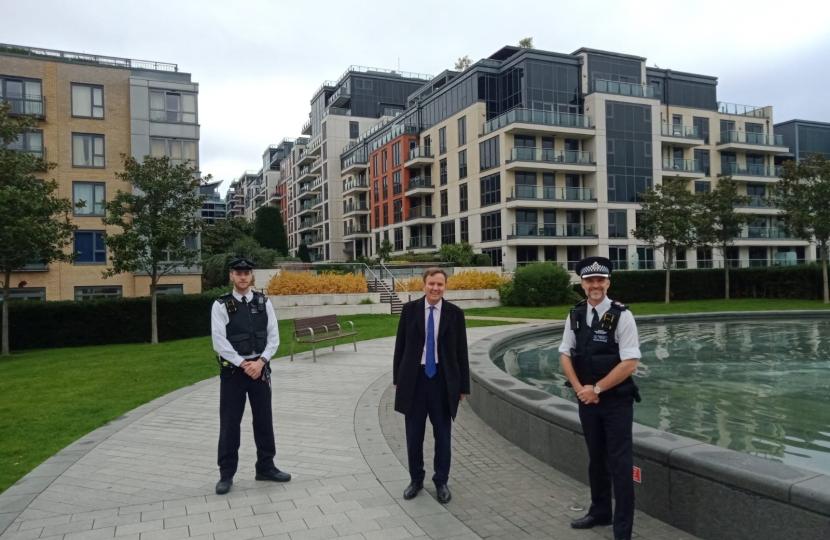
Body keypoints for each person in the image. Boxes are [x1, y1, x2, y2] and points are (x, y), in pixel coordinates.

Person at [559, 256, 641, 540]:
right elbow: (565, 353)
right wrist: (581, 388)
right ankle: (600, 511)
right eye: (589, 280)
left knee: (620, 464)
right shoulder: (575, 315)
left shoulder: (622, 315)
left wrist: (596, 389)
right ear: (582, 284)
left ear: (608, 282)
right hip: (587, 400)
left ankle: (623, 531)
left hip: (616, 402)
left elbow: (630, 363)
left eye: (600, 280)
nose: (595, 285)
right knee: (596, 459)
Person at [211, 258, 290, 495]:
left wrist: (261, 362)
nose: (243, 277)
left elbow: (273, 337)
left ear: (251, 276)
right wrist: (245, 364)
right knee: (229, 424)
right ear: (231, 276)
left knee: (264, 421)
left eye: (246, 273)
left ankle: (266, 467)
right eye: (238, 273)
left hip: (260, 371)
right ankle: (226, 474)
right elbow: (219, 341)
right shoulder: (221, 305)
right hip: (234, 373)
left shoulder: (264, 302)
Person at [393, 267, 470, 504]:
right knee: (414, 435)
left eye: (440, 284)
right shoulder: (410, 310)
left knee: (443, 435)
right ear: (423, 285)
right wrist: (397, 379)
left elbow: (461, 351)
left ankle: (441, 481)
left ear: (445, 286)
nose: (435, 288)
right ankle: (416, 479)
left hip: (442, 382)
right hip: (414, 380)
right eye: (431, 284)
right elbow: (401, 345)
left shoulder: (454, 313)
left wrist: (462, 387)